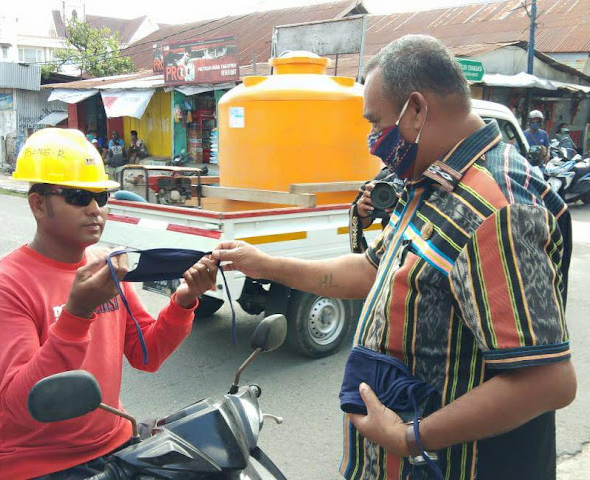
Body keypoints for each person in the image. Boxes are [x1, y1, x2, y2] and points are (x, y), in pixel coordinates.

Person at [213, 35, 575, 480]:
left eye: (376, 123)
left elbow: (547, 382)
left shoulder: (497, 210)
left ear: (418, 109)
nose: (371, 142)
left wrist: (409, 438)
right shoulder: (432, 183)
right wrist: (264, 264)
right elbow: (371, 270)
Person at [0, 128, 218, 480]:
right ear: (38, 204)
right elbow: (24, 405)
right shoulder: (1, 288)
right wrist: (76, 314)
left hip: (115, 441)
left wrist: (185, 299)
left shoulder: (103, 263)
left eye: (100, 197)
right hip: (38, 463)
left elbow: (146, 354)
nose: (94, 210)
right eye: (77, 196)